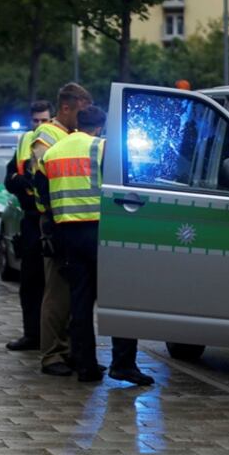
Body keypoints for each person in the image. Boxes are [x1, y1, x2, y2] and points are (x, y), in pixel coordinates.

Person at [41, 105, 154, 385]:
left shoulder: (53, 152)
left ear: (78, 123)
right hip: (101, 230)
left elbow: (41, 195)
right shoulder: (101, 149)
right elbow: (121, 191)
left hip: (66, 233)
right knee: (121, 297)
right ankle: (123, 364)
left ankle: (86, 366)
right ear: (101, 127)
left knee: (80, 301)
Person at [26, 83, 92, 377]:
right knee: (57, 292)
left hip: (76, 223)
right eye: (82, 110)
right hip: (56, 223)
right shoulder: (47, 136)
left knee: (73, 292)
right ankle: (52, 354)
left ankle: (72, 351)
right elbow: (39, 182)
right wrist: (49, 223)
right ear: (67, 107)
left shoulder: (72, 135)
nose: (84, 115)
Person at [1, 100, 53, 352]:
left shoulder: (60, 139)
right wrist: (20, 181)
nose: (40, 125)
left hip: (54, 220)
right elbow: (9, 179)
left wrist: (25, 181)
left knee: (56, 285)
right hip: (31, 218)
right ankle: (31, 334)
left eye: (44, 120)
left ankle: (55, 339)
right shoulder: (24, 141)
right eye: (36, 121)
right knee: (30, 282)